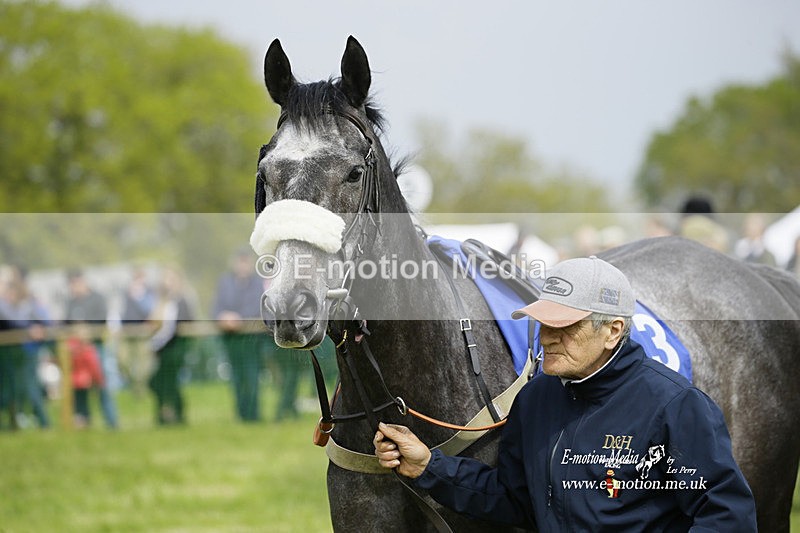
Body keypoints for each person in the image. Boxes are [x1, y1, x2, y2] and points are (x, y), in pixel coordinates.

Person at [374, 256, 756, 531]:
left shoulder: (676, 406)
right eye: (543, 323)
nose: (547, 336)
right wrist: (429, 466)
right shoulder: (535, 400)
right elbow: (515, 501)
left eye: (565, 325)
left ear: (613, 330)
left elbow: (727, 516)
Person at [212, 249, 266, 422]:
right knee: (236, 378)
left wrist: (238, 318)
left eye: (245, 262)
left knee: (252, 377)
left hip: (251, 340)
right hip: (231, 339)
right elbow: (216, 307)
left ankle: (253, 415)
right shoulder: (225, 282)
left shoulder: (258, 284)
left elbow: (259, 307)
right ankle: (241, 414)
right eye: (240, 262)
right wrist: (223, 317)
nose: (242, 266)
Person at [64, 269, 118, 429]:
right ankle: (83, 419)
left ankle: (111, 421)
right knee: (79, 386)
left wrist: (86, 331)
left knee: (102, 385)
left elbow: (101, 320)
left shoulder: (97, 299)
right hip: (77, 351)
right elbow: (66, 323)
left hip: (95, 348)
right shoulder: (71, 303)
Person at [148, 267, 194, 425]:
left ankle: (177, 415)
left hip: (176, 348)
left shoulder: (182, 301)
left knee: (170, 383)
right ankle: (166, 415)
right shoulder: (162, 302)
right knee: (160, 383)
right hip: (163, 350)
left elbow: (184, 323)